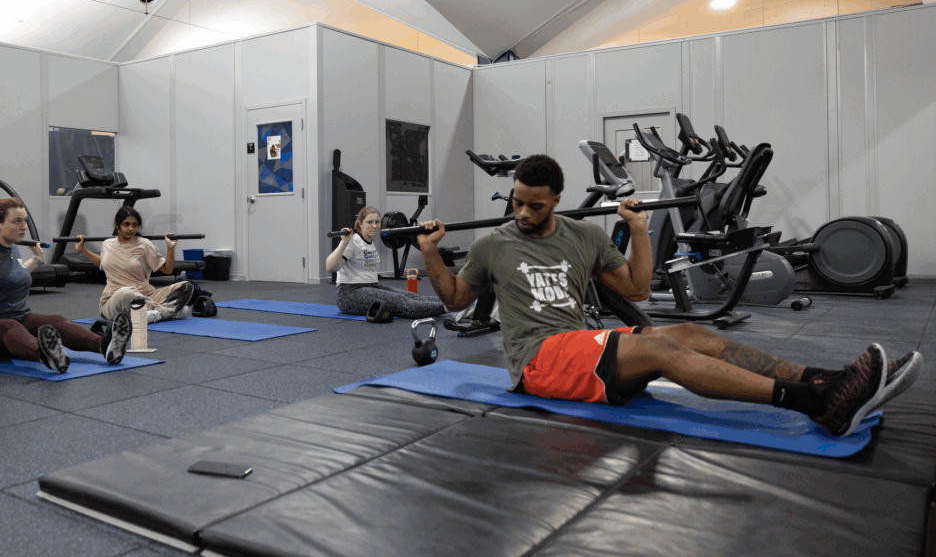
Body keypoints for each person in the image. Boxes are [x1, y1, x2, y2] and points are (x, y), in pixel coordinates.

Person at [415, 155, 921, 437]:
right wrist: (431, 253)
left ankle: (826, 379)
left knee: (693, 333)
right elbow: (456, 301)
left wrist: (638, 230)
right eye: (517, 202)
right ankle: (817, 403)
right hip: (538, 361)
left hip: (579, 346)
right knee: (661, 348)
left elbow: (636, 288)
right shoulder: (493, 244)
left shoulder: (583, 235)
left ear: (557, 201)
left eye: (535, 205)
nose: (523, 213)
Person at [0, 198, 131, 374]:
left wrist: (35, 261)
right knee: (9, 327)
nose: (24, 227)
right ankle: (45, 354)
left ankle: (105, 345)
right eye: (16, 221)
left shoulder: (12, 249)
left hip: (17, 319)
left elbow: (10, 276)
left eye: (24, 220)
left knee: (56, 320)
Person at [74, 207, 194, 323]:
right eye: (126, 224)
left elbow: (167, 270)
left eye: (134, 225)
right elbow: (103, 262)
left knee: (186, 286)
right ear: (117, 225)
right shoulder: (107, 244)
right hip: (116, 298)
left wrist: (170, 248)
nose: (131, 228)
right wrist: (82, 250)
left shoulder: (145, 244)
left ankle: (155, 313)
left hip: (147, 294)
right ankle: (168, 311)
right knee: (126, 293)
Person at [327, 206, 446, 319]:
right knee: (401, 301)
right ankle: (448, 308)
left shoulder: (368, 241)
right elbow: (330, 267)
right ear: (360, 224)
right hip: (349, 294)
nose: (374, 226)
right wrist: (344, 242)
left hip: (370, 286)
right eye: (369, 222)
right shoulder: (353, 241)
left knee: (410, 296)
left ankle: (452, 301)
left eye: (377, 222)